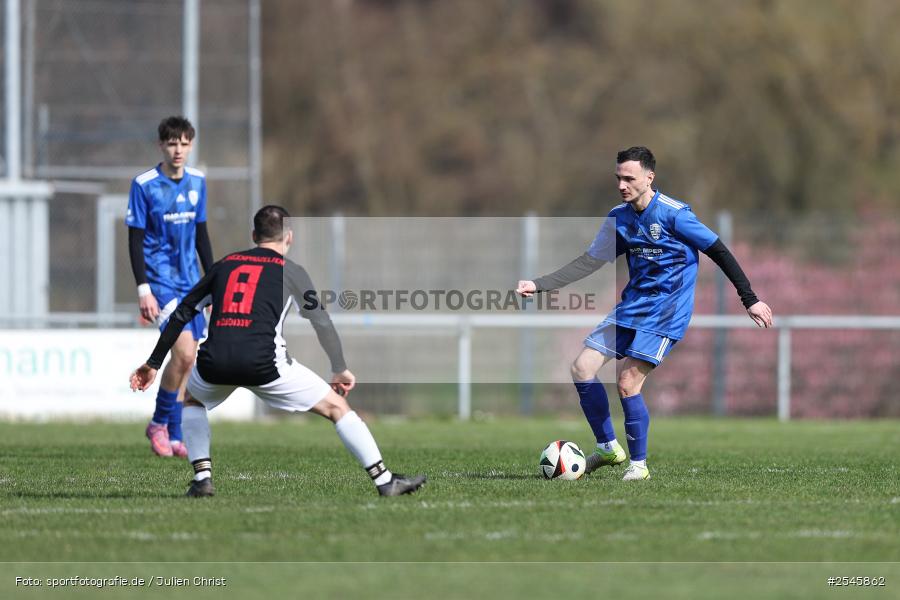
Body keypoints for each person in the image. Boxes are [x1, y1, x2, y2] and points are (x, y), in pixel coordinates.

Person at [128, 205, 426, 497]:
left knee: (192, 400)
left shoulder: (225, 264)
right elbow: (320, 320)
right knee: (337, 408)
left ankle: (203, 478)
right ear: (289, 238)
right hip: (265, 364)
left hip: (214, 362)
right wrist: (339, 367)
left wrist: (153, 363)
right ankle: (385, 481)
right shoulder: (291, 271)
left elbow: (182, 313)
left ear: (254, 234)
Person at [516, 146, 773, 481]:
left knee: (627, 381)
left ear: (649, 178)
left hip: (667, 310)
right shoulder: (619, 218)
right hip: (633, 306)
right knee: (581, 367)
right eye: (618, 178)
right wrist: (540, 284)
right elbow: (590, 261)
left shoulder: (674, 214)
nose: (622, 185)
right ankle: (608, 447)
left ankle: (639, 465)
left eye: (629, 178)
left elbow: (718, 250)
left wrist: (749, 299)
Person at [126, 116, 213, 459]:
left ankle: (175, 434)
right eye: (171, 143)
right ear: (161, 146)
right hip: (160, 281)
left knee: (187, 361)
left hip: (192, 280)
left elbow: (202, 235)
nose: (178, 150)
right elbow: (134, 240)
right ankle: (159, 423)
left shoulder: (198, 182)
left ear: (191, 145)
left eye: (184, 143)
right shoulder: (144, 184)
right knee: (185, 352)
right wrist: (142, 288)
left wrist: (212, 283)